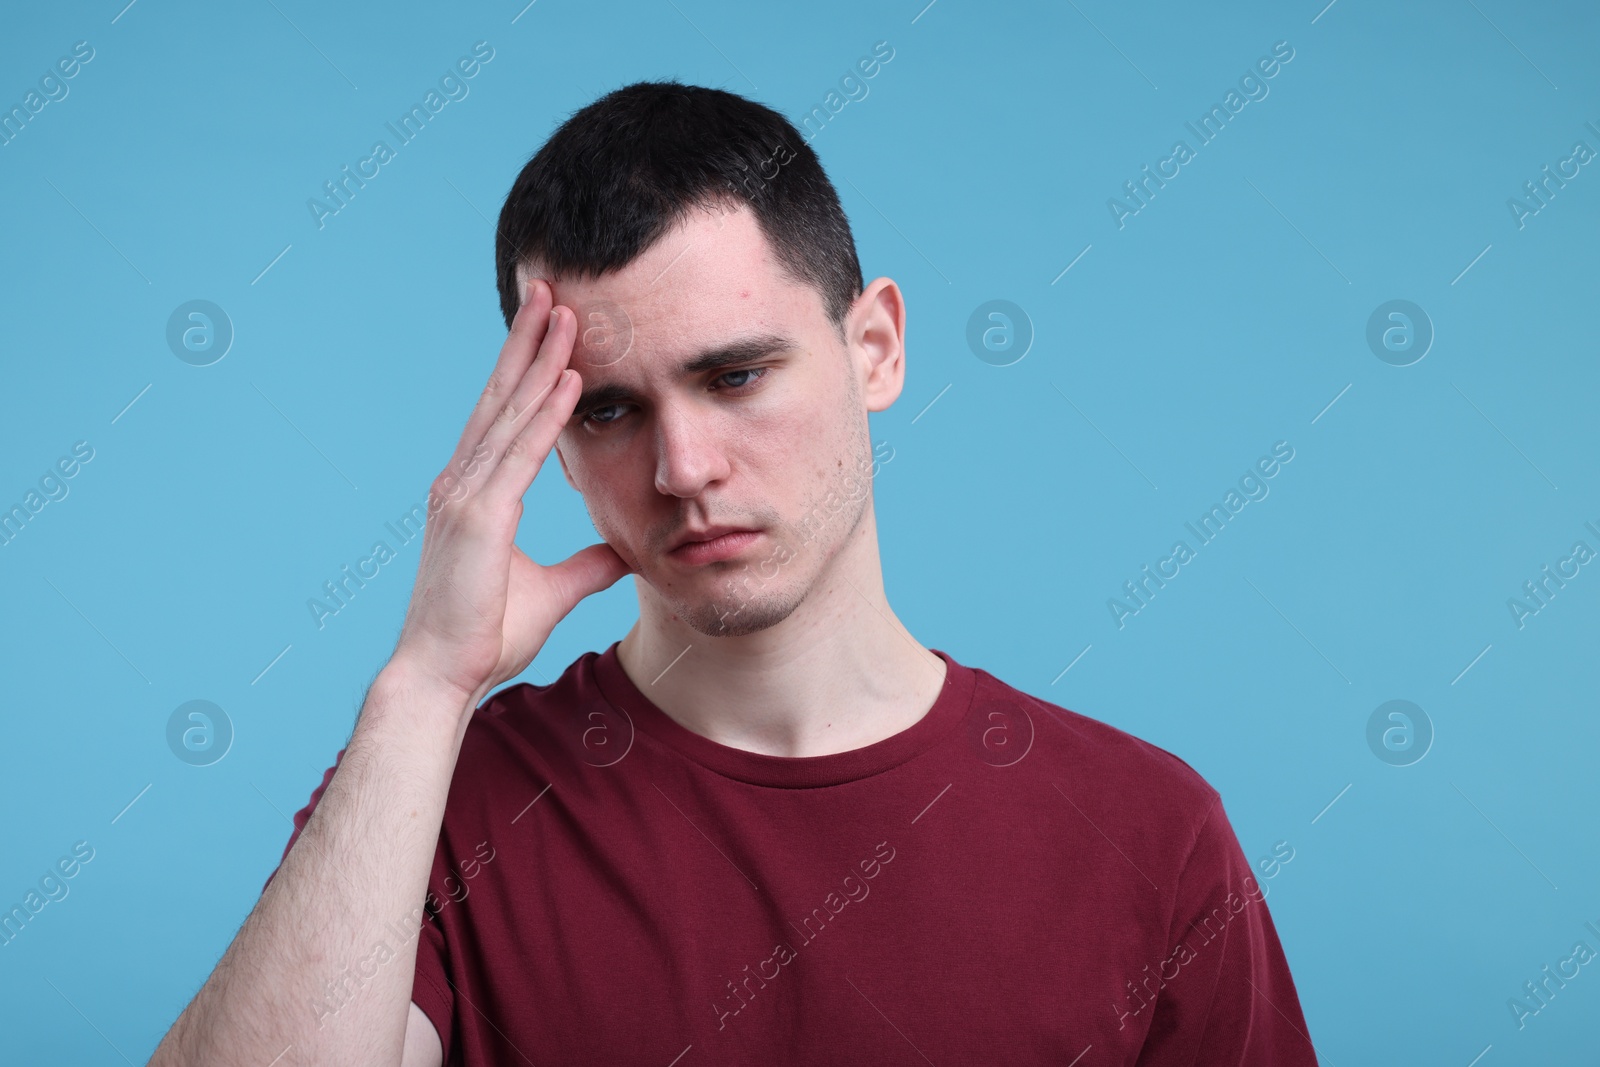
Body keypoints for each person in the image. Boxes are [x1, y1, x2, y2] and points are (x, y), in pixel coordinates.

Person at [148, 80, 1319, 1066]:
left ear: (875, 348)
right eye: (607, 409)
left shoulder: (1145, 830)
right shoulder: (445, 807)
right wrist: (423, 684)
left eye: (735, 375)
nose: (681, 466)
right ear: (547, 443)